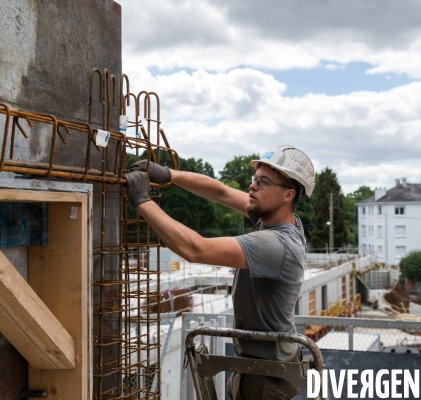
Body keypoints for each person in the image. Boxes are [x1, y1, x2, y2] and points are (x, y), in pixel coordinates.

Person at [124, 145, 316, 400]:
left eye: (264, 182)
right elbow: (222, 193)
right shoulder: (275, 218)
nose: (253, 187)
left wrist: (142, 200)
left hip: (265, 376)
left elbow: (196, 249)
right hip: (259, 368)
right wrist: (169, 175)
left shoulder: (277, 244)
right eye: (254, 179)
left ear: (288, 194)